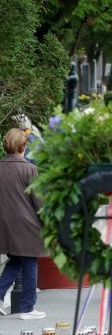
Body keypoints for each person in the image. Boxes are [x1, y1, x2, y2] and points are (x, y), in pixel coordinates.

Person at [0, 129, 46, 319]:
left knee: (16, 261)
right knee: (29, 263)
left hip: (5, 225)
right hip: (27, 226)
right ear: (23, 146)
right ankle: (27, 307)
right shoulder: (29, 169)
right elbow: (40, 201)